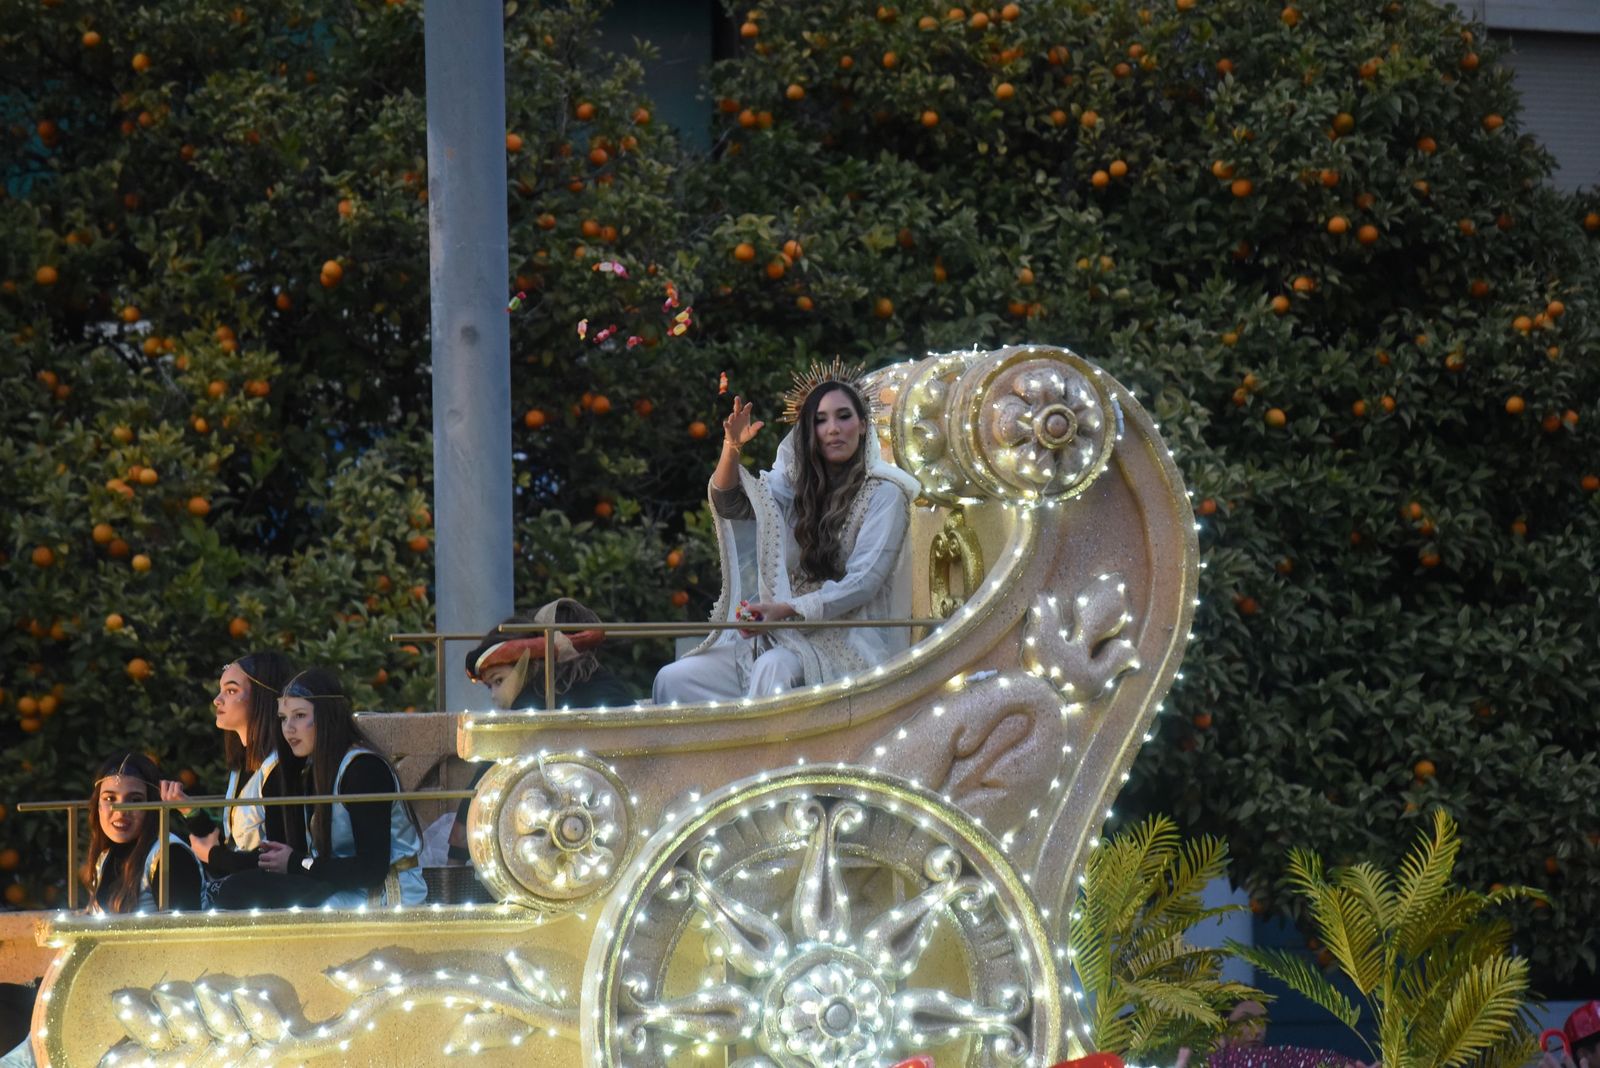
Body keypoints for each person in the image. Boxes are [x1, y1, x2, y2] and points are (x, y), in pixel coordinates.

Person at [653, 360, 920, 702]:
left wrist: (787, 609)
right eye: (820, 420)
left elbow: (863, 583)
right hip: (781, 632)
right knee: (674, 680)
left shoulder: (885, 493)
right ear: (809, 431)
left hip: (845, 634)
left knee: (773, 669)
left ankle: (762, 758)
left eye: (843, 416)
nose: (833, 429)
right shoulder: (793, 488)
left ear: (864, 425)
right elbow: (731, 504)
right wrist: (731, 448)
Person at [213, 667, 426, 909]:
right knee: (238, 889)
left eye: (300, 715)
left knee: (274, 901)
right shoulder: (312, 768)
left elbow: (371, 869)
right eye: (283, 718)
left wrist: (297, 863)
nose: (288, 728)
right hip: (339, 884)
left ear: (326, 716)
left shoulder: (364, 770)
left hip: (386, 891)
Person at [446, 600, 635, 863]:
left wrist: (456, 850)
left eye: (498, 682)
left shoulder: (536, 701)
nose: (495, 697)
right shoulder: (597, 681)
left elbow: (488, 770)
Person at [158, 652, 300, 903]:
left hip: (267, 897)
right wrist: (190, 812)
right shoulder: (242, 767)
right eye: (220, 690)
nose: (217, 700)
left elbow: (278, 859)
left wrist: (213, 856)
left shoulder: (279, 768)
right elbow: (233, 842)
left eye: (231, 691)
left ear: (261, 699)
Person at [83, 752, 203, 914]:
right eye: (110, 799)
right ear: (97, 804)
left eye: (135, 800)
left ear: (151, 804)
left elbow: (185, 935)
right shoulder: (105, 856)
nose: (120, 812)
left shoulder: (171, 855)